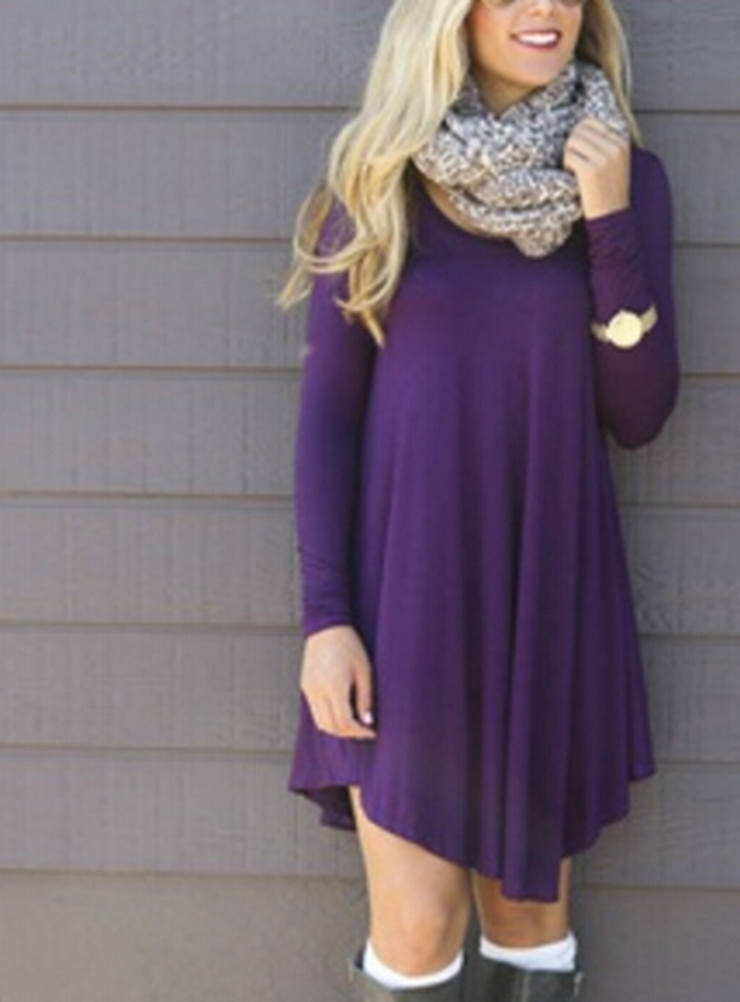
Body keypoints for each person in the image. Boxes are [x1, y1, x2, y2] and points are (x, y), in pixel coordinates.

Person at [277, 0, 678, 998]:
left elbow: (638, 413)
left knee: (530, 917)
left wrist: (609, 223)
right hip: (405, 603)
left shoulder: (622, 177)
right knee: (417, 929)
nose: (546, 9)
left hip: (548, 587)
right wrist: (327, 620)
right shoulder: (379, 183)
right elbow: (329, 419)